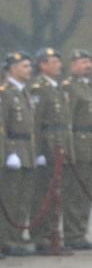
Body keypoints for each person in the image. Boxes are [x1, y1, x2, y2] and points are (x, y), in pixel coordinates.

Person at [29, 48, 71, 253]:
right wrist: (36, 152)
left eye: (58, 61)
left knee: (56, 193)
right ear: (42, 65)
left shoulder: (57, 88)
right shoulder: (39, 88)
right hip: (46, 146)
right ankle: (41, 236)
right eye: (53, 61)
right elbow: (36, 122)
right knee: (43, 193)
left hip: (58, 145)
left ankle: (53, 233)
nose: (58, 65)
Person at [63, 49, 92, 250]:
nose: (87, 65)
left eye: (89, 61)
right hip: (79, 144)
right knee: (74, 192)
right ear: (73, 66)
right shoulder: (70, 88)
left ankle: (80, 231)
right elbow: (67, 121)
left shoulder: (89, 87)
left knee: (86, 192)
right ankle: (71, 234)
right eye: (82, 62)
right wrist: (69, 149)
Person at [1, 51, 37, 256]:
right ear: (12, 69)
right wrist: (8, 153)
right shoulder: (5, 92)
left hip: (27, 150)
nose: (29, 69)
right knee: (9, 198)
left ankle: (16, 236)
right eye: (24, 66)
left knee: (23, 198)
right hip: (13, 150)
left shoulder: (24, 92)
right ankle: (4, 239)